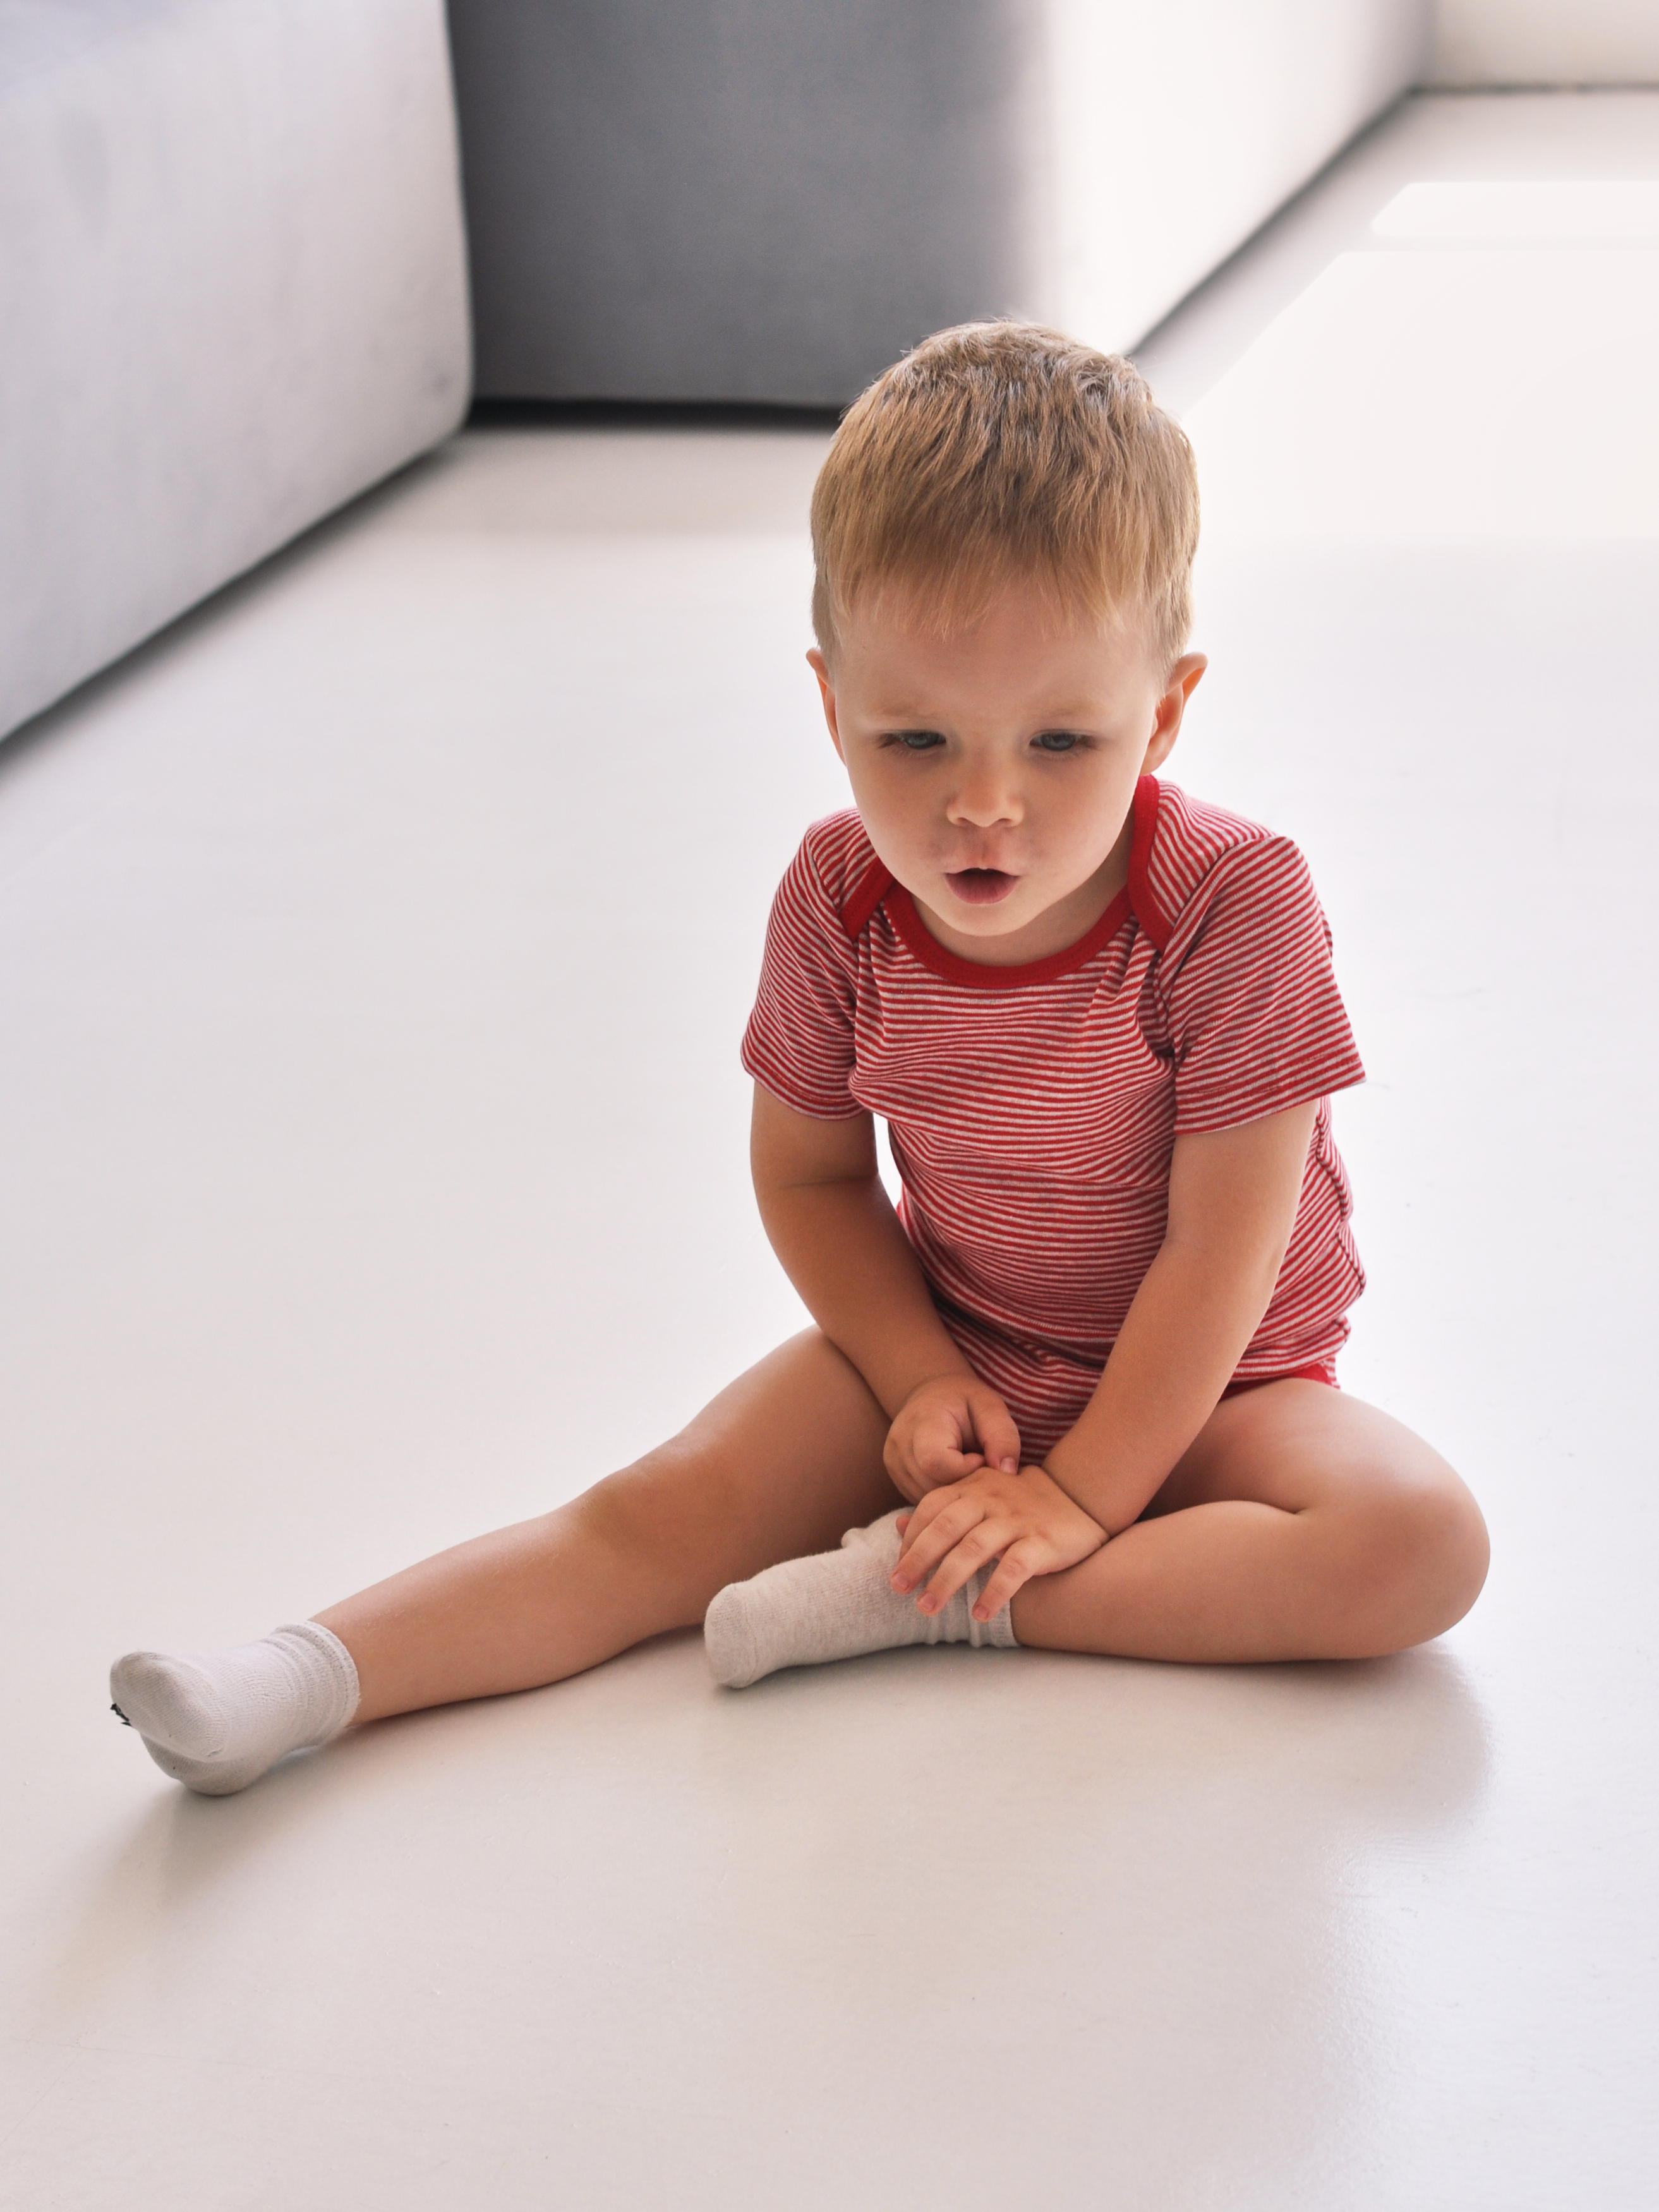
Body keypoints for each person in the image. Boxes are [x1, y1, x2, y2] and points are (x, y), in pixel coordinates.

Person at [108, 322, 1490, 1796]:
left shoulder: (1229, 898)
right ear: (832, 706)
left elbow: (1223, 1250)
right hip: (961, 1344)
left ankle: (930, 1596)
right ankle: (291, 1679)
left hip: (1220, 1386)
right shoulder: (837, 896)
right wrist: (915, 1375)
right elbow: (813, 1176)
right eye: (914, 739)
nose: (983, 804)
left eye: (1059, 743)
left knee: (1415, 1542)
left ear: (1159, 714)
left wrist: (1080, 1498)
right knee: (652, 1511)